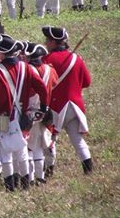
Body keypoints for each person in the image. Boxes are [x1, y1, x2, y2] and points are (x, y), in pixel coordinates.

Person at [0, 34, 49, 191]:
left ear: (1, 53)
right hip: (23, 115)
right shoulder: (26, 67)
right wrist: (43, 107)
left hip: (4, 116)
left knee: (5, 151)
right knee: (22, 148)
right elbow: (42, 88)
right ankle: (25, 184)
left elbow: (0, 101)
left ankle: (10, 186)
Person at [41, 26, 93, 174]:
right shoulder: (76, 59)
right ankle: (88, 169)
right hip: (75, 106)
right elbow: (87, 82)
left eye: (47, 41)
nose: (45, 43)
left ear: (53, 42)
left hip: (56, 106)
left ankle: (48, 170)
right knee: (77, 139)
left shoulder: (47, 60)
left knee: (50, 139)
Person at [22, 42, 58, 184]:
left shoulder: (27, 71)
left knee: (30, 147)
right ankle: (40, 177)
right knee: (39, 146)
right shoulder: (50, 70)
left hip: (30, 110)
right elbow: (54, 84)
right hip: (45, 110)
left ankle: (31, 178)